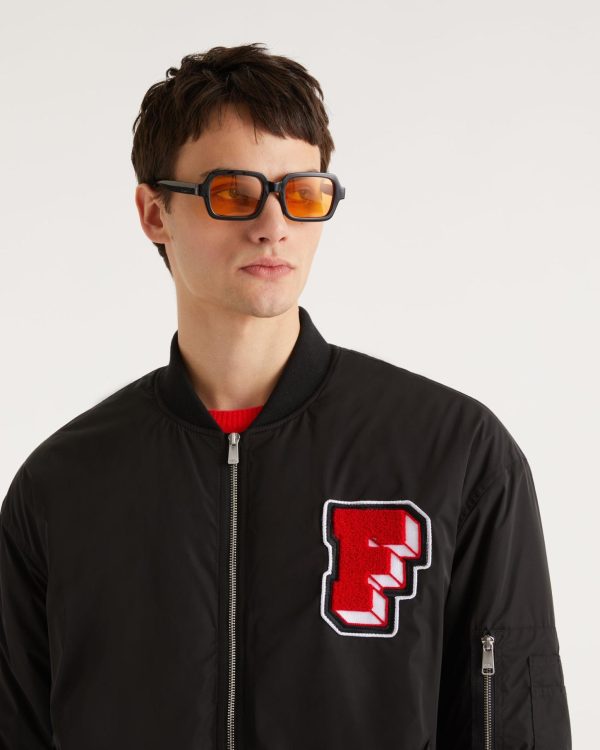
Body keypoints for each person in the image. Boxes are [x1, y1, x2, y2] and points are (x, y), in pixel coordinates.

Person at [0, 42, 571, 750]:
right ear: (154, 213)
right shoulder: (63, 486)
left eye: (301, 193)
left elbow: (515, 727)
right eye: (233, 192)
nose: (273, 225)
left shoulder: (455, 453)